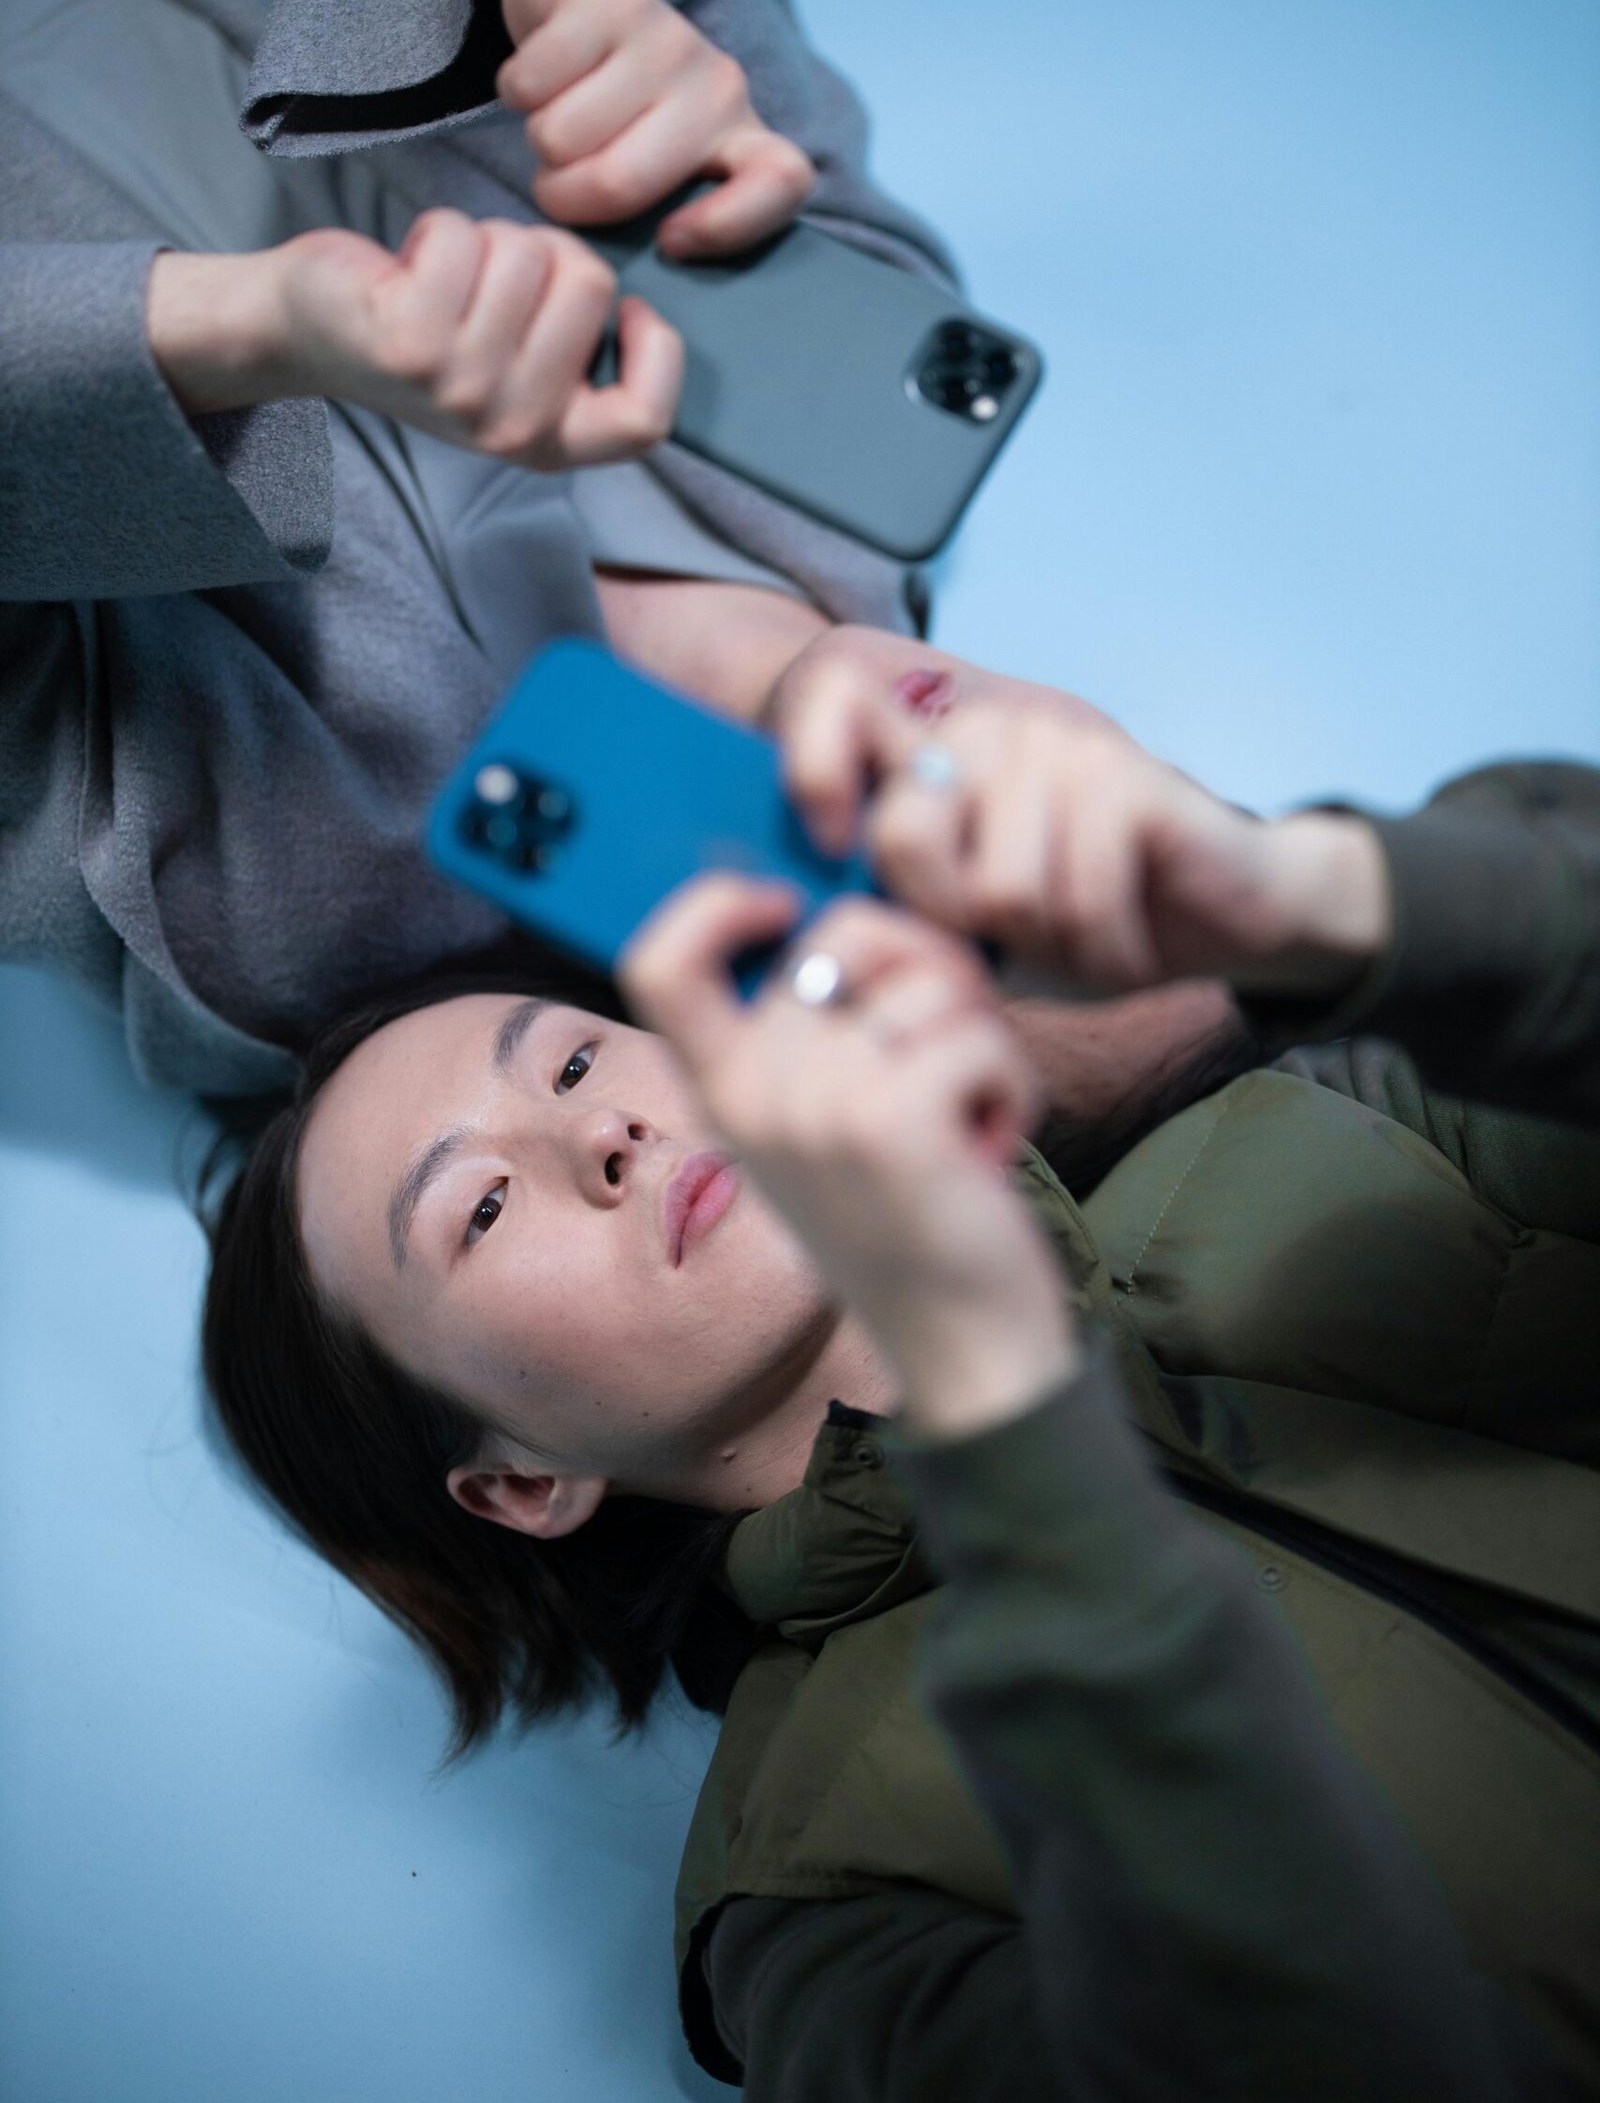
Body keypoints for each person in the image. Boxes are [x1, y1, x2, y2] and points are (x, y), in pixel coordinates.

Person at [201, 678, 1600, 2098]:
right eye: (482, 1211)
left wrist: (1307, 902)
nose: (600, 1132)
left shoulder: (1306, 1128)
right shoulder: (821, 1917)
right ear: (520, 1481)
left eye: (570, 1058)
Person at [0, 0, 956, 1094]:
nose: (996, 830)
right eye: (1146, 839)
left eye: (998, 953)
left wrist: (257, 326)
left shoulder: (279, 921)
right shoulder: (888, 395)